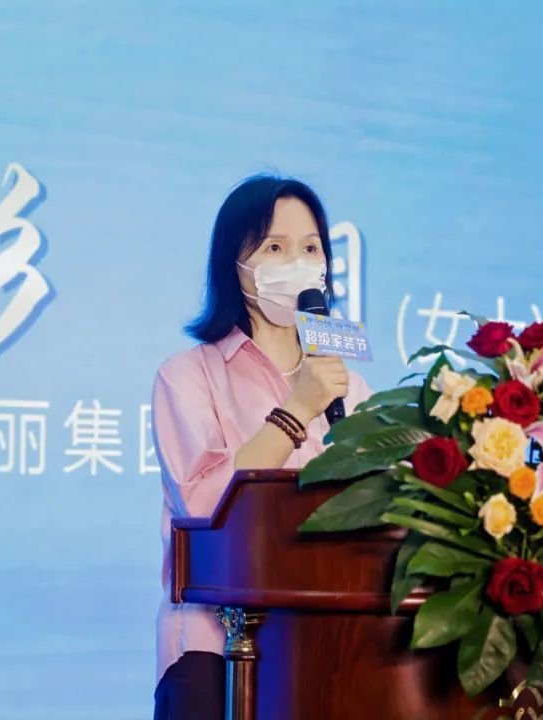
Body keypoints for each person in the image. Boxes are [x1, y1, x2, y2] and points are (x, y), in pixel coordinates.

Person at [150, 175, 372, 719]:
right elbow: (204, 506)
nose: (297, 262)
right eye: (275, 247)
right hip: (214, 653)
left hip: (328, 652)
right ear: (235, 262)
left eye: (311, 248)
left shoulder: (352, 389)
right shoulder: (188, 376)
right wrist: (297, 410)